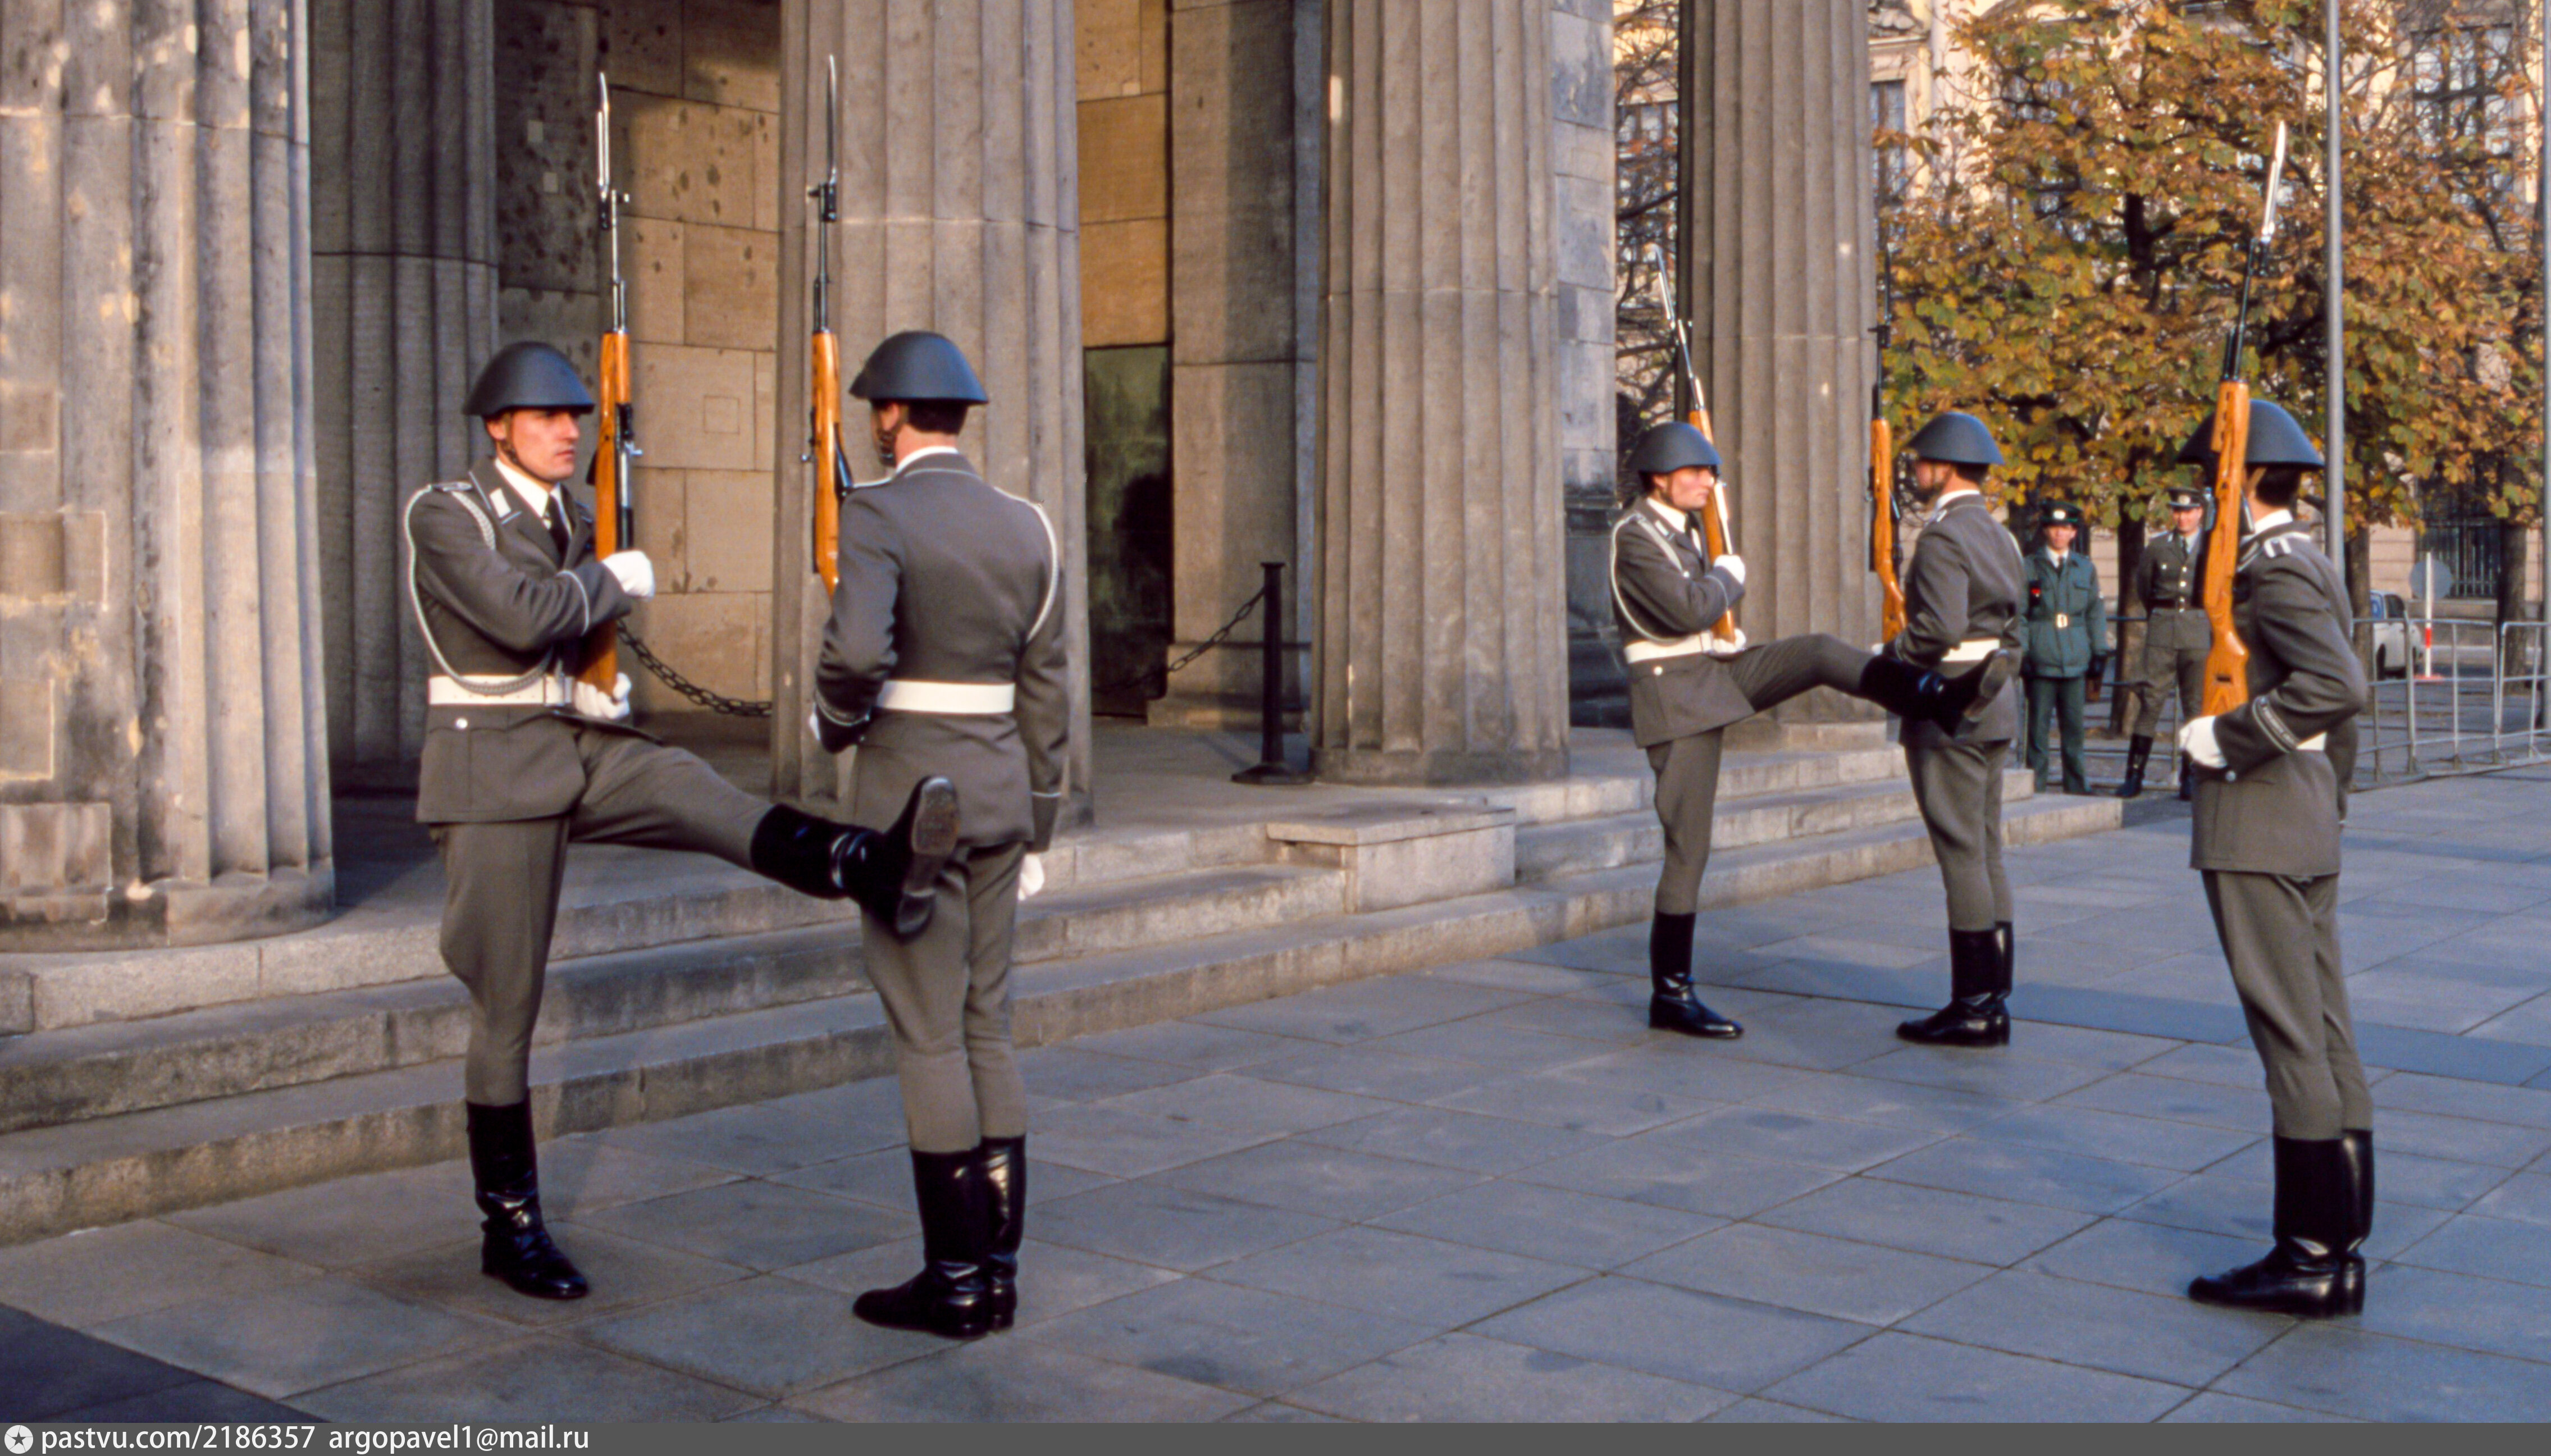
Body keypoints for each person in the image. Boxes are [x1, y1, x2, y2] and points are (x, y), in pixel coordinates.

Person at [407, 341, 957, 1302]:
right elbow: (519, 613)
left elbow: (565, 635)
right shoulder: (447, 512)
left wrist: (593, 683)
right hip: (492, 773)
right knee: (507, 1006)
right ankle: (511, 1226)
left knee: (694, 790)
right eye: (547, 418)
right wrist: (610, 583)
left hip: (571, 745)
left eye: (575, 418)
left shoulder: (576, 515)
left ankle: (859, 859)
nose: (568, 433)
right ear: (497, 427)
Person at [814, 331, 1070, 1340]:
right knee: (985, 1024)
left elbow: (855, 654)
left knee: (927, 1032)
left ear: (889, 415)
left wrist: (833, 722)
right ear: (959, 413)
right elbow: (1046, 689)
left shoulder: (877, 512)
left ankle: (954, 1283)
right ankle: (997, 1276)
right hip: (1002, 799)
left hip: (909, 802)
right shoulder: (1027, 525)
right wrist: (1038, 818)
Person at [1610, 421, 2016, 1040]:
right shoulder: (1635, 534)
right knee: (1688, 848)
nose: (1707, 481)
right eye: (1694, 472)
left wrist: (1720, 624)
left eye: (1710, 471)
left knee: (1819, 652)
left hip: (1711, 675)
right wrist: (1727, 577)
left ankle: (1930, 693)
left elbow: (1694, 615)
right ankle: (1671, 994)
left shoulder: (1682, 531)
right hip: (1677, 698)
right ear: (1658, 478)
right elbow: (1687, 608)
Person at [2175, 399, 2372, 1319]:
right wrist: (2328, 798)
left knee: (2289, 1034)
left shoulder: (2273, 568)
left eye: (2212, 475)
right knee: (2323, 1028)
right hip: (2301, 811)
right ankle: (2339, 1247)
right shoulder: (2307, 556)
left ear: (2243, 478)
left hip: (2258, 815)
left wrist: (2228, 737)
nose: (2204, 490)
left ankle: (2307, 1255)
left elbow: (2337, 685)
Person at [1889, 412, 2029, 1049]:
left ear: (1943, 467)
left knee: (1962, 853)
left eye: (1922, 461)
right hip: (1993, 705)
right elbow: (2013, 630)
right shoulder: (1999, 534)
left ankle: (1973, 1005)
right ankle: (1993, 997)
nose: (1916, 470)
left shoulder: (1944, 536)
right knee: (1986, 848)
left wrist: (1890, 655)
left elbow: (1938, 629)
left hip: (1950, 707)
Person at [2119, 484, 2212, 799]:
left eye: (2188, 511)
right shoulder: (2158, 547)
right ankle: (2135, 774)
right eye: (2177, 511)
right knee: (2151, 701)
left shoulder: (2212, 546)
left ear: (2200, 512)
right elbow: (2145, 587)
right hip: (2162, 630)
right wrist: (2160, 615)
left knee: (2195, 706)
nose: (2182, 517)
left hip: (2197, 630)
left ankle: (2191, 775)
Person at [2020, 501, 2107, 796]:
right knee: (2038, 731)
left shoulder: (2085, 568)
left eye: (2066, 528)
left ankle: (2077, 785)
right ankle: (2036, 786)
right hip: (2042, 657)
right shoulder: (2030, 567)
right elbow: (2020, 614)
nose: (2060, 533)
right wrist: (2024, 652)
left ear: (2074, 533)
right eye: (2055, 527)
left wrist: (2099, 651)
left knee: (2074, 730)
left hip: (2075, 658)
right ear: (2046, 530)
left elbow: (2095, 612)